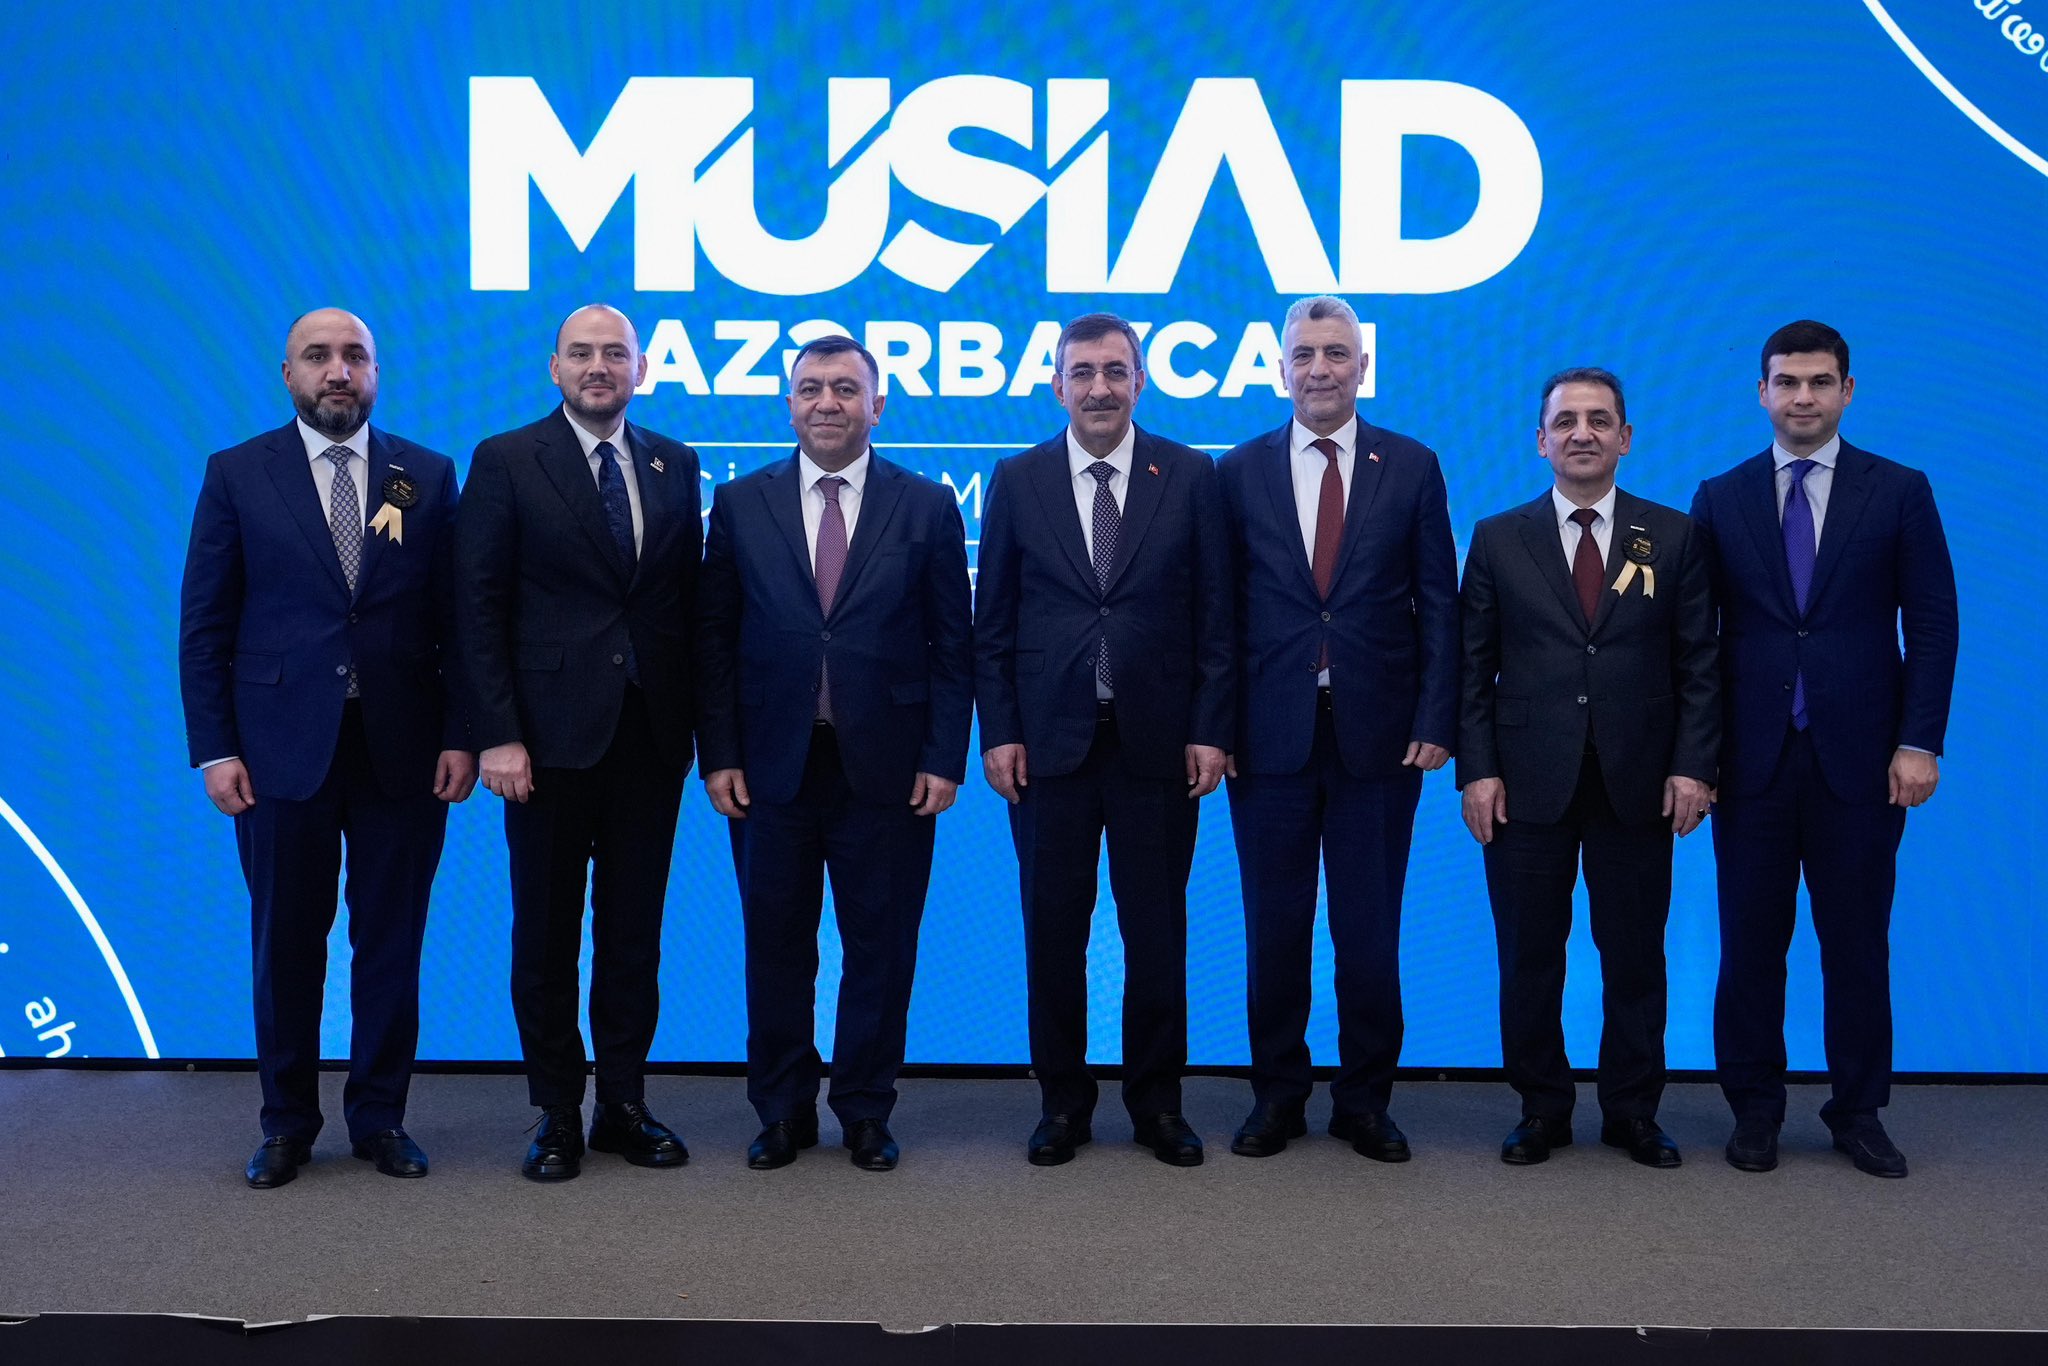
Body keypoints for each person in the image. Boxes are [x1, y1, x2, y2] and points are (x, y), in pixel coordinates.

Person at [179, 307, 475, 1188]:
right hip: (277, 753)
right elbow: (205, 625)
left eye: (355, 356)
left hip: (404, 751)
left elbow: (458, 621)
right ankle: (286, 1123)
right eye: (318, 356)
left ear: (376, 373)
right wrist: (215, 749)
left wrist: (461, 735)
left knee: (391, 943)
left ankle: (380, 1118)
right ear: (289, 374)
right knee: (285, 946)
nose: (338, 371)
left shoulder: (425, 475)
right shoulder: (238, 473)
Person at [696, 335, 972, 1172]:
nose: (827, 402)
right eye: (811, 388)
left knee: (880, 948)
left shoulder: (926, 505)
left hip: (889, 770)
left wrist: (944, 757)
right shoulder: (740, 503)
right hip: (769, 766)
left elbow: (952, 646)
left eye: (846, 389)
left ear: (876, 405)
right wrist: (719, 753)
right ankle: (781, 1111)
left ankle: (864, 1109)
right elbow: (714, 640)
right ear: (789, 404)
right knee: (776, 946)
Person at [1692, 321, 1957, 1178]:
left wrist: (1919, 742)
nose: (1801, 396)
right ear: (1761, 393)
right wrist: (1697, 756)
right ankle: (1754, 1111)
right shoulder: (1721, 497)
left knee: (1857, 946)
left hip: (1864, 764)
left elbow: (1933, 625)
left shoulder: (1900, 491)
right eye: (1786, 381)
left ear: (1847, 390)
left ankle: (1858, 1110)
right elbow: (1696, 642)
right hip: (1751, 765)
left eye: (1818, 381)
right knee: (1750, 948)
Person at [974, 312, 1233, 1167]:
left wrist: (1210, 728)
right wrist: (999, 732)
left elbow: (1215, 617)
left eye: (1115, 371)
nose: (1098, 388)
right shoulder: (1018, 479)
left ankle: (1158, 1104)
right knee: (1054, 934)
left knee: (1157, 933)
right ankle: (1062, 1104)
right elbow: (994, 621)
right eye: (1081, 373)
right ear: (1057, 385)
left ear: (1140, 382)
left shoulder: (1190, 475)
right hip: (1048, 750)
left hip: (1158, 747)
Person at [455, 304, 701, 1182]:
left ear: (642, 370)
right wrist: (497, 735)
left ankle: (623, 1104)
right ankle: (557, 1111)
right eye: (582, 353)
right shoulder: (506, 459)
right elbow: (476, 606)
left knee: (634, 937)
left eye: (616, 354)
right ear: (553, 367)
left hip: (649, 739)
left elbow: (682, 604)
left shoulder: (674, 462)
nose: (600, 366)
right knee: (547, 937)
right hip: (544, 745)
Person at [1215, 295, 1458, 1162]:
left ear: (1363, 366)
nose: (1319, 368)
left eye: (1335, 352)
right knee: (1273, 932)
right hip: (1266, 740)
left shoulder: (1413, 465)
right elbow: (1219, 615)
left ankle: (1365, 1101)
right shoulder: (1236, 471)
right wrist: (1216, 727)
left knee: (1369, 934)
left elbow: (1439, 602)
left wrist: (1436, 715)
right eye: (1304, 354)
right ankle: (1276, 1096)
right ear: (1281, 368)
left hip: (1381, 742)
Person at [1457, 367, 1717, 1169]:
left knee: (1634, 956)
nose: (1582, 433)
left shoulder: (1673, 535)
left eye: (1599, 420)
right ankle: (1541, 1109)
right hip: (1524, 782)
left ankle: (1633, 1112)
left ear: (1625, 438)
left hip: (1638, 781)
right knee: (1529, 956)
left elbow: (1700, 662)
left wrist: (1693, 767)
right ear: (1541, 440)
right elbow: (1472, 667)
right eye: (1565, 421)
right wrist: (1477, 771)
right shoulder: (1498, 538)